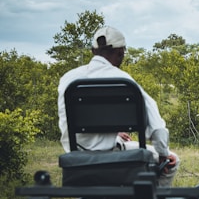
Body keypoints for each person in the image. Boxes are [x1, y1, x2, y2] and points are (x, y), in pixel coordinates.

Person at [57, 26, 179, 187]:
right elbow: (157, 127)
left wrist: (111, 133)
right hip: (110, 156)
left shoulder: (69, 78)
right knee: (173, 160)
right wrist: (163, 154)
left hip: (77, 158)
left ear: (93, 51)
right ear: (121, 52)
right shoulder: (122, 80)